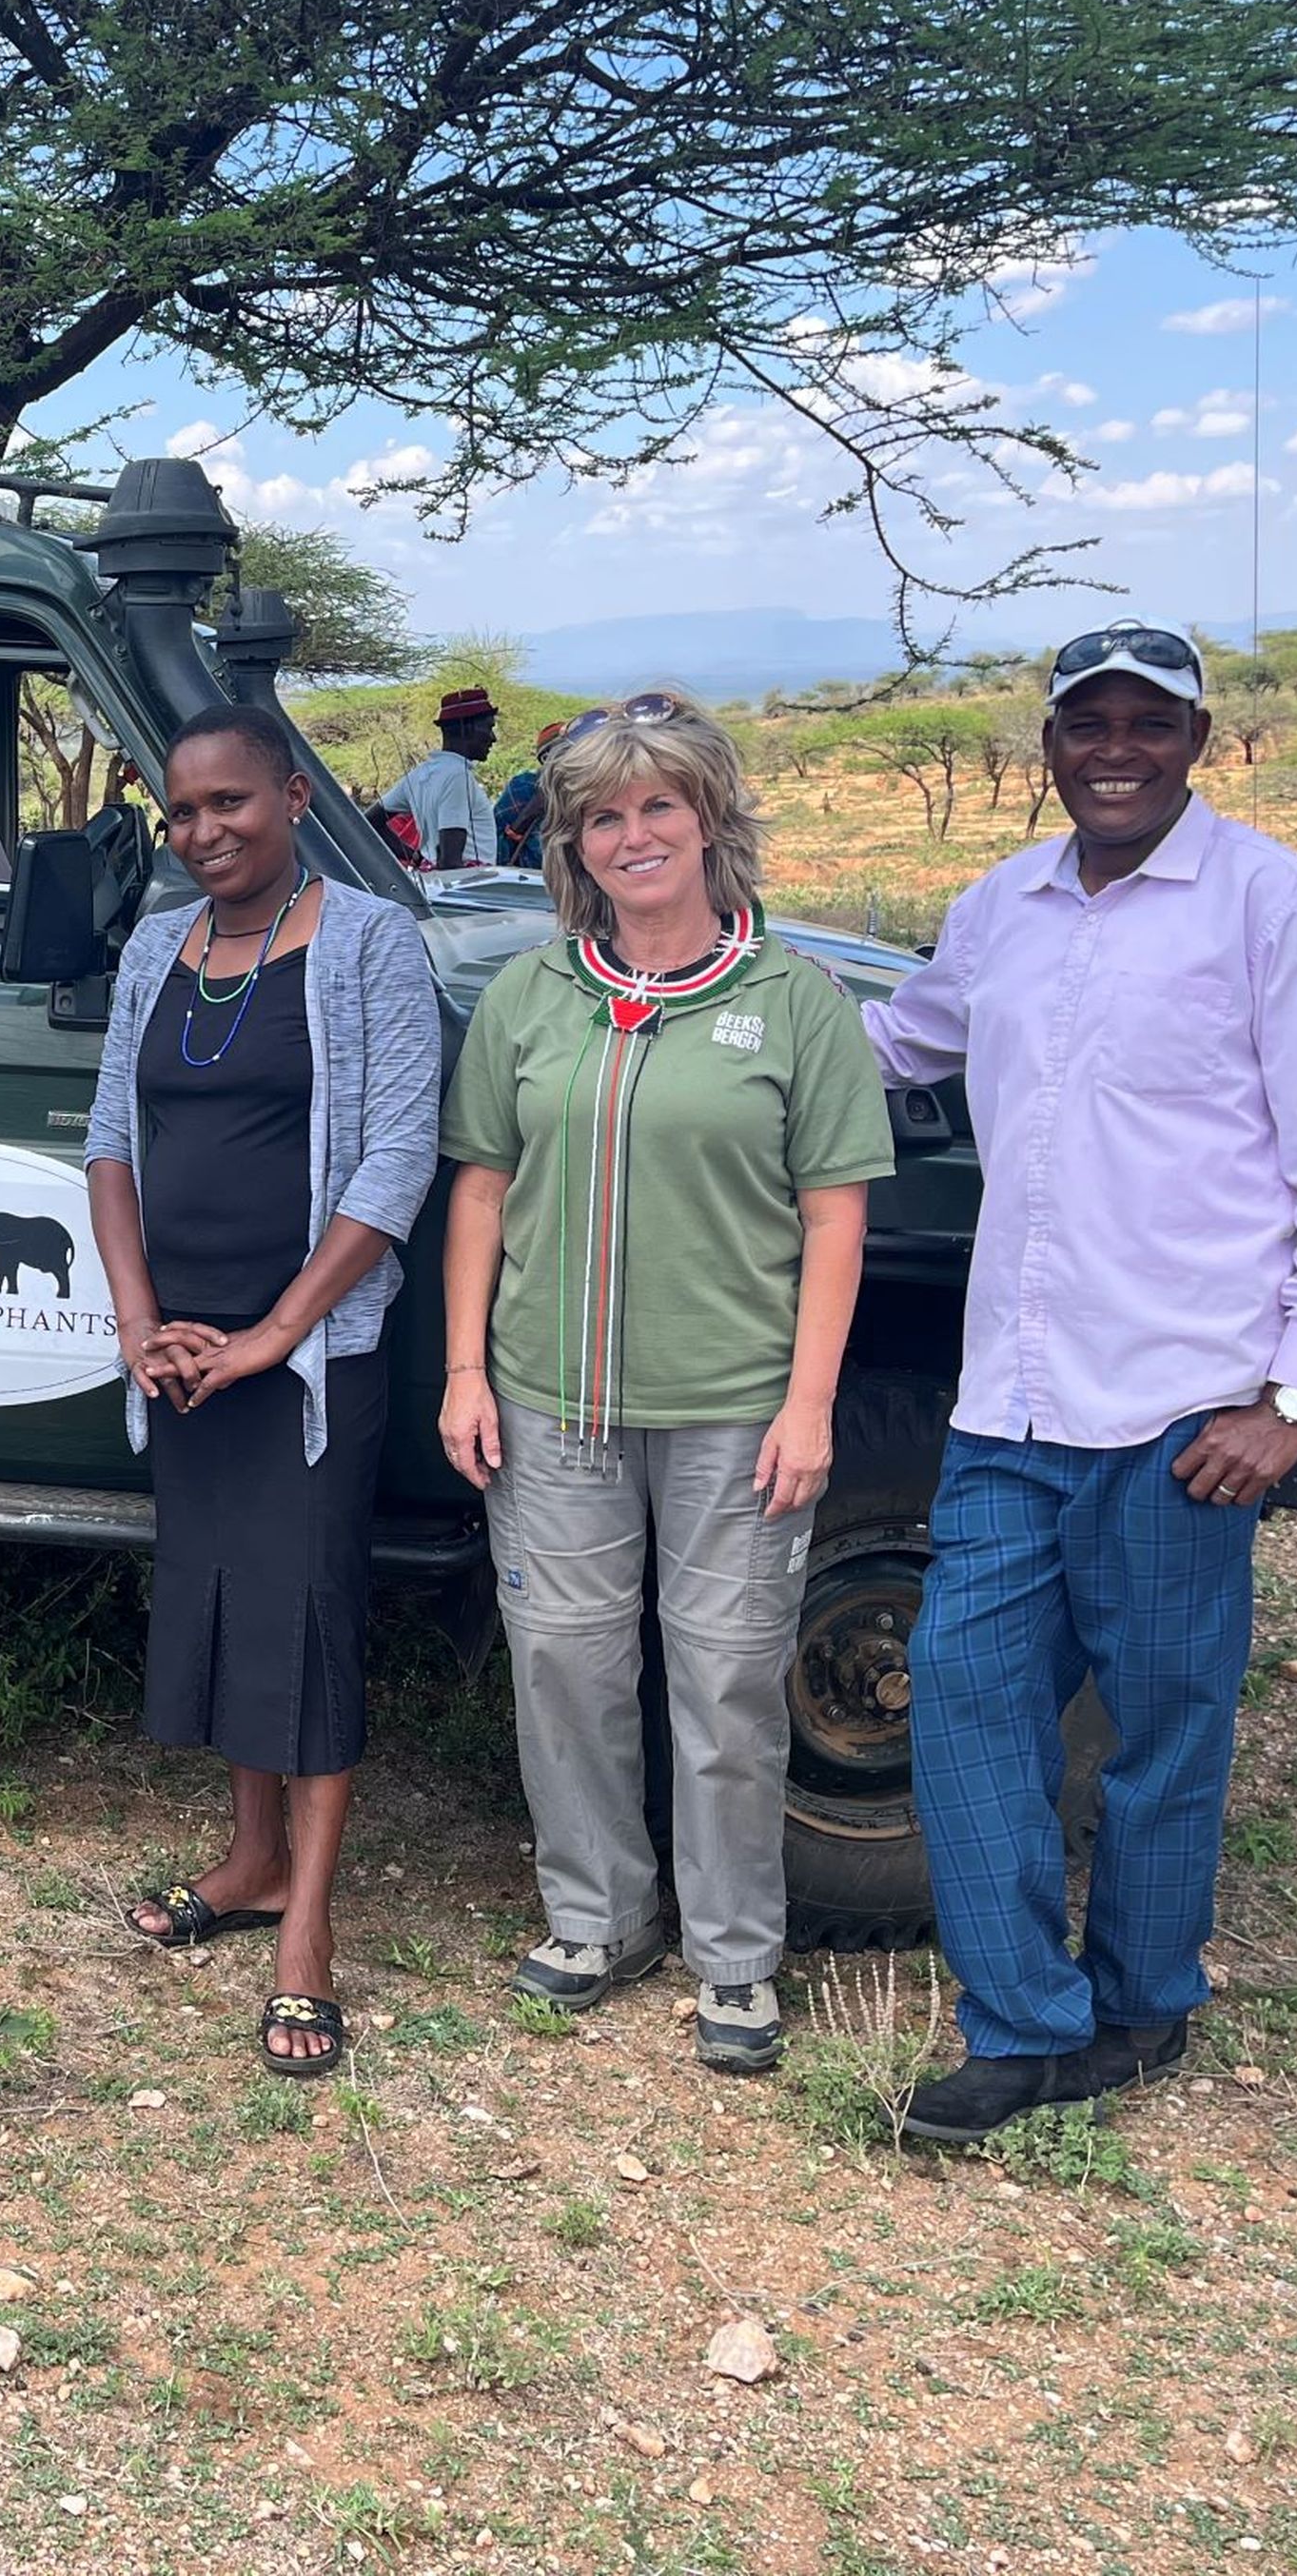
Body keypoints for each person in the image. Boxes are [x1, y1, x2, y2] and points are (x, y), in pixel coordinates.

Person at [862, 620, 1297, 2141]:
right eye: (1086, 724)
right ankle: (1025, 2029)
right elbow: (897, 1042)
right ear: (1048, 744)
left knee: (1164, 1731)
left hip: (1184, 1412)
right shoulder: (1002, 908)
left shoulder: (1275, 909)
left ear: (1197, 741)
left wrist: (1292, 1401)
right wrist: (712, 1005)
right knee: (965, 1702)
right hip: (1011, 1402)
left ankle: (1146, 2005)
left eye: (1147, 723)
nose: (1115, 751)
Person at [435, 692, 894, 2075]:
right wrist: (465, 1369)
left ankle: (736, 1957)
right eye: (602, 817)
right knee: (564, 1670)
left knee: (731, 1685)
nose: (633, 835)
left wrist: (809, 1404)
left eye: (658, 807)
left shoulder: (793, 1002)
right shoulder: (532, 996)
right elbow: (480, 1191)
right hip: (550, 1406)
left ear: (708, 822)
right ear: (573, 843)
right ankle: (598, 1918)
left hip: (736, 1413)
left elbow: (835, 1218)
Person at [86, 705, 442, 2077]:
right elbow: (112, 1141)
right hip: (182, 1348)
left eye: (229, 802)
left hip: (308, 1353)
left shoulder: (368, 943)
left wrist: (278, 1334)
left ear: (293, 797)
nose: (204, 831)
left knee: (308, 1611)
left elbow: (398, 1157)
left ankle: (307, 1931)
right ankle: (249, 1860)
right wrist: (141, 1324)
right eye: (182, 812)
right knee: (224, 1595)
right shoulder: (155, 948)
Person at [374, 685, 501, 868]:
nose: (493, 738)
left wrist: (415, 857)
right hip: (469, 880)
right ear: (465, 728)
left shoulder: (420, 774)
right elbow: (450, 862)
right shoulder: (457, 776)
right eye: (488, 728)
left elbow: (367, 821)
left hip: (433, 878)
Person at [491, 722, 557, 870]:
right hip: (532, 878)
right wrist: (526, 817)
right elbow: (494, 849)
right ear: (547, 758)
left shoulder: (592, 790)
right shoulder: (525, 786)